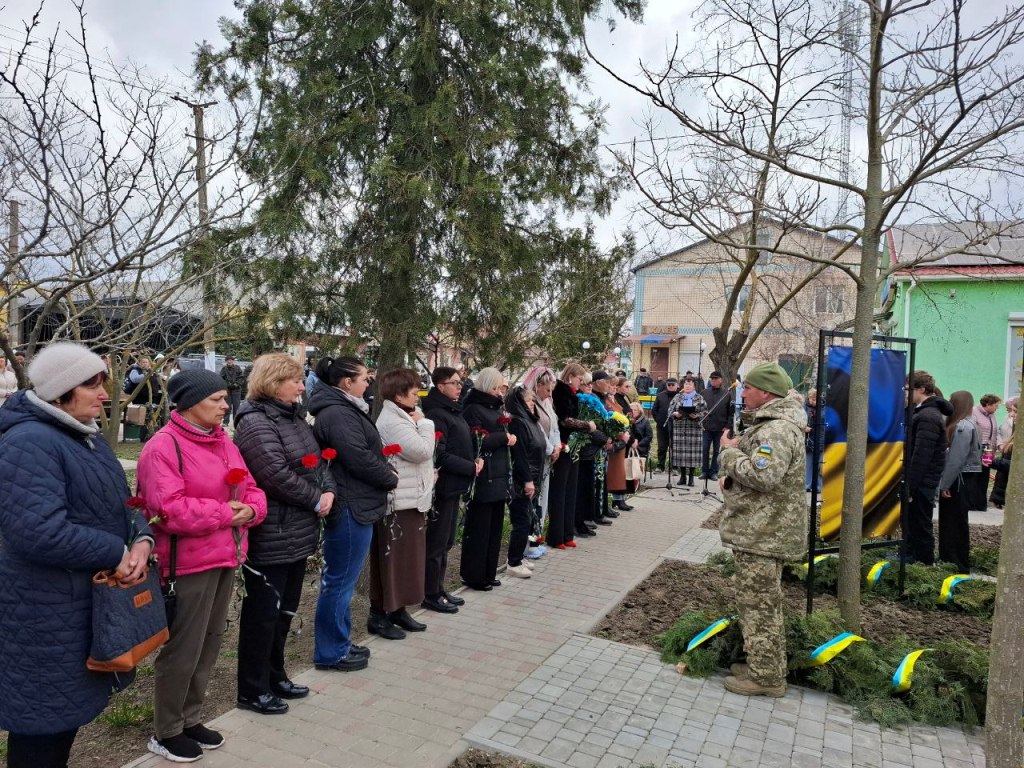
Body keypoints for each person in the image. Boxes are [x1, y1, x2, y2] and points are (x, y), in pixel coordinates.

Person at [0, 343, 153, 768]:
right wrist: (114, 551)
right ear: (60, 391)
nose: (104, 392)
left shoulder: (83, 436)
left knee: (62, 718)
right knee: (41, 727)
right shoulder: (30, 441)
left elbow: (123, 506)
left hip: (78, 604)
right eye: (92, 383)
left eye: (103, 381)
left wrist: (141, 540)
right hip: (43, 612)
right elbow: (35, 530)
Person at [138, 368, 267, 762]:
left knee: (209, 645)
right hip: (187, 565)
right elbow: (168, 510)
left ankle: (190, 718)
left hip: (227, 555)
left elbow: (253, 489)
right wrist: (229, 514)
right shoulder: (163, 447)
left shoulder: (223, 443)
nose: (226, 405)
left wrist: (252, 509)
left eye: (226, 398)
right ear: (191, 402)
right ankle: (167, 730)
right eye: (217, 399)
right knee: (183, 650)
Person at [232, 354, 336, 715]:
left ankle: (276, 676)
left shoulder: (294, 418)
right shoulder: (255, 422)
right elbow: (271, 473)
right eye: (294, 379)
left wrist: (328, 492)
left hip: (298, 530)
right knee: (263, 614)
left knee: (284, 611)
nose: (301, 385)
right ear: (274, 383)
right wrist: (314, 499)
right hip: (272, 533)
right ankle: (251, 688)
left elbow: (318, 461)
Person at [717, 361, 807, 697]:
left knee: (759, 605)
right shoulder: (774, 425)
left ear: (766, 392)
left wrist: (729, 455)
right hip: (763, 529)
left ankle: (767, 678)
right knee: (760, 602)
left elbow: (763, 476)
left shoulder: (776, 430)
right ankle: (763, 665)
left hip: (764, 532)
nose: (744, 392)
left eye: (749, 388)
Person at [308, 356, 398, 670]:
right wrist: (389, 477)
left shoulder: (344, 408)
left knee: (343, 580)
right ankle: (331, 652)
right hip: (349, 505)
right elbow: (357, 456)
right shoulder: (337, 413)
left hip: (355, 501)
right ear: (347, 382)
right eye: (364, 378)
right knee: (339, 581)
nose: (368, 383)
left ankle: (340, 641)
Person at [369, 368, 436, 639]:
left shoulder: (403, 415)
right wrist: (426, 424)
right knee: (392, 560)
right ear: (398, 394)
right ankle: (380, 614)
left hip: (411, 499)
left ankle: (398, 610)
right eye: (413, 391)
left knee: (407, 561)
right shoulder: (393, 421)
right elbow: (422, 451)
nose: (418, 396)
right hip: (398, 503)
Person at [421, 367, 479, 613]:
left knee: (446, 542)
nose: (460, 386)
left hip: (456, 486)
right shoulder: (436, 413)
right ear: (440, 385)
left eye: (461, 382)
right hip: (444, 486)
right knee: (436, 543)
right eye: (454, 383)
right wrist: (470, 467)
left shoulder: (453, 409)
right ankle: (430, 594)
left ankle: (439, 588)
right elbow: (440, 454)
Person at [460, 367, 515, 589]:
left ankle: (488, 571)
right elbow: (475, 441)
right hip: (485, 474)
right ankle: (474, 575)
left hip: (499, 472)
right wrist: (503, 437)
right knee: (480, 528)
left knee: (494, 528)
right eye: (497, 387)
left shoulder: (494, 406)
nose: (500, 391)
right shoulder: (473, 408)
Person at [904, 370, 953, 566]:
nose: (907, 392)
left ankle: (923, 561)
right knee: (914, 521)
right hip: (923, 480)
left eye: (909, 389)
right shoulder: (925, 412)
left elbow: (921, 456)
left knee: (920, 522)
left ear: (922, 389)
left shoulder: (928, 416)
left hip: (923, 481)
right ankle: (911, 556)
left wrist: (911, 486)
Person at [549, 363, 592, 550]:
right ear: (570, 376)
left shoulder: (572, 393)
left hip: (573, 446)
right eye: (579, 379)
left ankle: (567, 533)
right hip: (563, 444)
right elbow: (564, 420)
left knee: (571, 491)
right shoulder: (560, 391)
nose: (581, 383)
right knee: (560, 492)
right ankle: (557, 536)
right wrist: (586, 425)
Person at [504, 384, 546, 577]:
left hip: (533, 477)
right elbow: (520, 455)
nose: (532, 404)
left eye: (532, 401)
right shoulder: (518, 423)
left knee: (527, 519)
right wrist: (528, 481)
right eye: (528, 401)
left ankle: (519, 557)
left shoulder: (530, 420)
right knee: (521, 521)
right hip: (522, 480)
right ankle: (513, 562)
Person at [938, 390, 982, 571]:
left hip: (958, 480)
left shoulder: (962, 427)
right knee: (958, 521)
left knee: (952, 522)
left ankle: (953, 561)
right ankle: (957, 560)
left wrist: (945, 484)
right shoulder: (972, 423)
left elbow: (956, 460)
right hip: (964, 479)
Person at [522, 365, 560, 555]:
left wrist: (558, 445)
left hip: (547, 459)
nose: (549, 393)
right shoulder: (530, 403)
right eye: (546, 389)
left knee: (542, 503)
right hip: (536, 458)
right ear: (537, 385)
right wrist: (550, 447)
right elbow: (536, 431)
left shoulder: (547, 404)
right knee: (534, 503)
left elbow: (554, 427)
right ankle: (529, 544)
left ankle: (537, 540)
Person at [668, 377, 707, 486]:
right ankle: (682, 476)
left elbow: (705, 412)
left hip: (694, 428)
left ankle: (691, 478)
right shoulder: (677, 397)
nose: (687, 386)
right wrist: (676, 414)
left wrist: (697, 415)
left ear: (694, 386)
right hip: (680, 428)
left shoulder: (699, 398)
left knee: (692, 455)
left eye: (689, 384)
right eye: (685, 384)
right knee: (681, 454)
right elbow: (670, 410)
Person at [968, 393, 1001, 511]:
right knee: (975, 474)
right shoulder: (974, 412)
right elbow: (971, 429)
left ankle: (981, 504)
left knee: (984, 475)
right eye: (996, 405)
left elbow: (995, 432)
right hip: (977, 448)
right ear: (988, 404)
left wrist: (996, 446)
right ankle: (971, 503)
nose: (997, 408)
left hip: (988, 449)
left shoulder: (991, 415)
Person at [700, 371, 732, 483]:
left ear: (721, 380)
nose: (713, 380)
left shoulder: (726, 394)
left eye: (716, 378)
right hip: (706, 427)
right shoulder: (704, 393)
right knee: (704, 449)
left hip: (720, 428)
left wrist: (727, 426)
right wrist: (701, 422)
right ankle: (704, 471)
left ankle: (714, 471)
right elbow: (699, 409)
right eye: (711, 379)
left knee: (717, 451)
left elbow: (730, 412)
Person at [125, 355, 164, 441]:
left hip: (152, 397)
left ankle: (150, 435)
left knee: (151, 416)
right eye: (143, 362)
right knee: (142, 417)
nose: (145, 364)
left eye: (146, 362)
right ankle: (141, 436)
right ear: (139, 362)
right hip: (140, 397)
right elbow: (135, 379)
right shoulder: (136, 370)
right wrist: (147, 375)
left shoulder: (152, 371)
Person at [650, 377, 678, 471]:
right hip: (662, 426)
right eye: (669, 385)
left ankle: (674, 467)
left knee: (674, 447)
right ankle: (660, 465)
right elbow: (654, 410)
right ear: (666, 385)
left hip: (676, 426)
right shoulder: (660, 395)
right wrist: (659, 420)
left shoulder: (680, 396)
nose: (670, 386)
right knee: (662, 447)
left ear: (676, 385)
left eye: (672, 385)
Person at [803, 388, 824, 492]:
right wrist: (804, 427)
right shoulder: (805, 407)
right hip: (808, 440)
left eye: (815, 398)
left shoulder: (824, 408)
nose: (813, 400)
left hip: (821, 438)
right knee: (809, 464)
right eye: (811, 398)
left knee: (820, 465)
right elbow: (800, 420)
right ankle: (807, 485)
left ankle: (818, 487)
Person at [990, 424, 1014, 510]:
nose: (1011, 415)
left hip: (1008, 496)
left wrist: (995, 462)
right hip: (1000, 494)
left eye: (1015, 412)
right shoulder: (1013, 437)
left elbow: (1013, 466)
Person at [219, 356, 247, 426]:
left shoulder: (237, 368)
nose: (229, 361)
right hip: (227, 391)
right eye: (228, 360)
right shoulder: (223, 369)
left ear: (233, 361)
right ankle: (225, 422)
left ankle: (236, 422)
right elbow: (221, 378)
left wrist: (237, 384)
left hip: (236, 390)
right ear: (226, 361)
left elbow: (242, 378)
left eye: (231, 360)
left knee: (236, 407)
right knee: (227, 407)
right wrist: (227, 384)